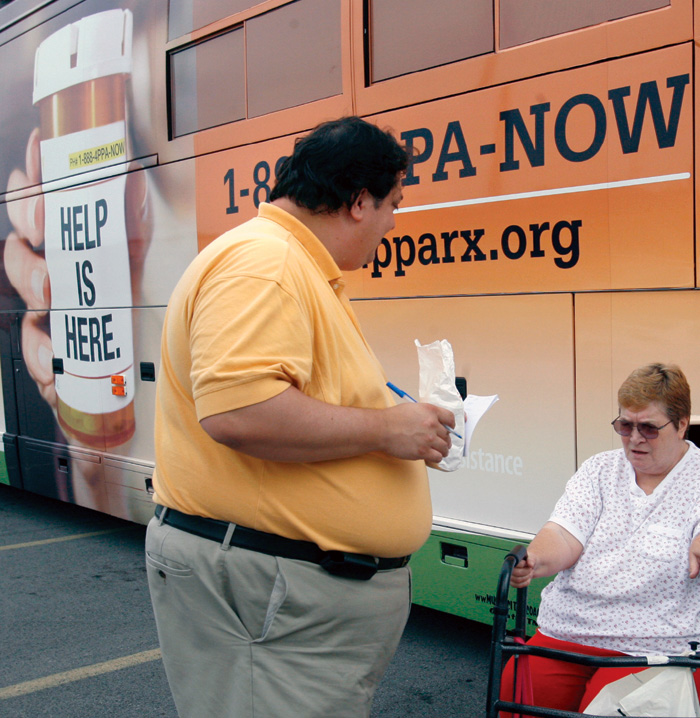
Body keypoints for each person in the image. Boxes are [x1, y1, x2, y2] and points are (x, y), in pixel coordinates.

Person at [145, 116, 456, 718]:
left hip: (284, 597)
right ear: (359, 201)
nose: (394, 222)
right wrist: (388, 429)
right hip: (273, 594)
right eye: (393, 203)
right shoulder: (267, 264)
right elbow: (240, 412)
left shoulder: (285, 262)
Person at [503, 363, 700, 713]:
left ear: (681, 424)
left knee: (612, 706)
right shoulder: (599, 469)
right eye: (625, 425)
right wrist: (535, 559)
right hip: (576, 627)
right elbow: (563, 533)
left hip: (674, 641)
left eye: (648, 428)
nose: (634, 439)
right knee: (518, 690)